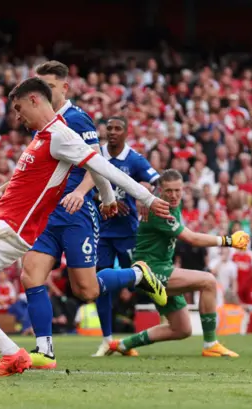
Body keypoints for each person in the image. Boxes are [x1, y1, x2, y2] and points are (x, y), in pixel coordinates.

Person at [0, 77, 170, 377]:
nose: (18, 117)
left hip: (10, 228)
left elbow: (102, 166)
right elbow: (46, 176)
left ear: (35, 100)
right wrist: (6, 189)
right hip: (6, 224)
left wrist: (147, 198)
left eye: (20, 108)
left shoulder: (62, 133)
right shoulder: (43, 135)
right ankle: (12, 354)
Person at [0, 62, 167, 369]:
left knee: (87, 290)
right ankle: (45, 351)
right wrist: (9, 187)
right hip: (44, 215)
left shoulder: (75, 119)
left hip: (76, 214)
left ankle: (139, 274)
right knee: (30, 275)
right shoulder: (43, 127)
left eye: (49, 86)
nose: (44, 92)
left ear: (62, 88)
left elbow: (95, 164)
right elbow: (37, 169)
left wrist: (87, 193)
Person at [108, 169, 248, 357]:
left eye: (177, 190)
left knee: (181, 329)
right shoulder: (159, 209)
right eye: (169, 191)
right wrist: (228, 241)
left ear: (183, 190)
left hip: (161, 268)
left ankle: (123, 345)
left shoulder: (169, 203)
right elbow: (191, 239)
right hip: (149, 272)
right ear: (160, 191)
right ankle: (211, 344)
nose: (173, 196)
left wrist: (143, 191)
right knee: (208, 281)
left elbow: (146, 182)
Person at [92, 116, 162, 357]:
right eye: (109, 128)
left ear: (126, 132)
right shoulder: (95, 154)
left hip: (128, 233)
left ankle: (162, 324)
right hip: (101, 232)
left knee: (139, 282)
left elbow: (158, 180)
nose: (112, 132)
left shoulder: (134, 159)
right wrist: (104, 199)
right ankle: (106, 340)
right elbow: (83, 185)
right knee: (99, 285)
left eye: (117, 128)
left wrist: (148, 196)